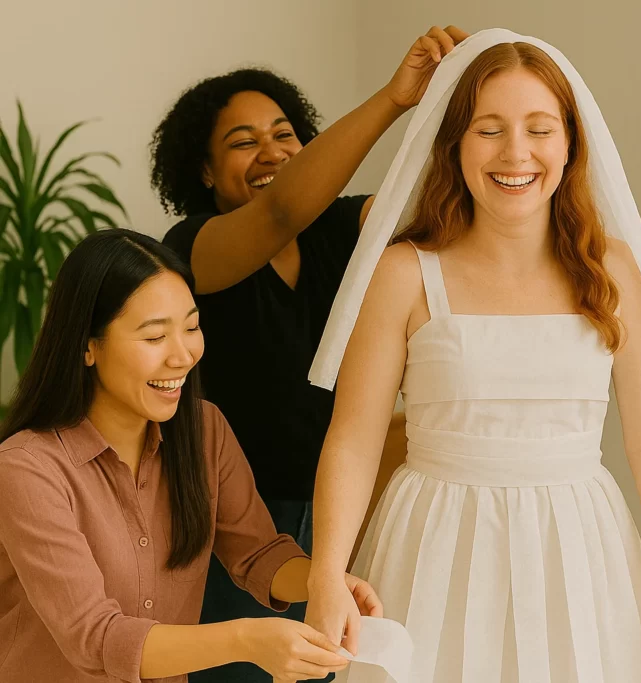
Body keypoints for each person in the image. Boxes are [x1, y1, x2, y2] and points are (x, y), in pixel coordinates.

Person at [303, 34, 641, 683]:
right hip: (433, 539)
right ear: (455, 146)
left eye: (539, 129)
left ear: (570, 143)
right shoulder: (405, 271)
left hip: (578, 545)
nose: (515, 152)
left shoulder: (613, 269)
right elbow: (352, 440)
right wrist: (326, 569)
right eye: (488, 129)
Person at [153, 25, 467, 682]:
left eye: (284, 134)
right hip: (225, 523)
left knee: (329, 669)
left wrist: (459, 95)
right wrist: (392, 98)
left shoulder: (342, 231)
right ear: (204, 171)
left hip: (334, 515)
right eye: (243, 142)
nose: (271, 151)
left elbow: (447, 200)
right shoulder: (192, 247)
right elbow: (279, 211)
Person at [0, 229, 382, 683]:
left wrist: (324, 582)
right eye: (155, 337)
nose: (184, 355)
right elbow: (96, 638)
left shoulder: (204, 431)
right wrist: (246, 641)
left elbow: (258, 552)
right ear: (87, 345)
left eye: (192, 326)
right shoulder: (26, 468)